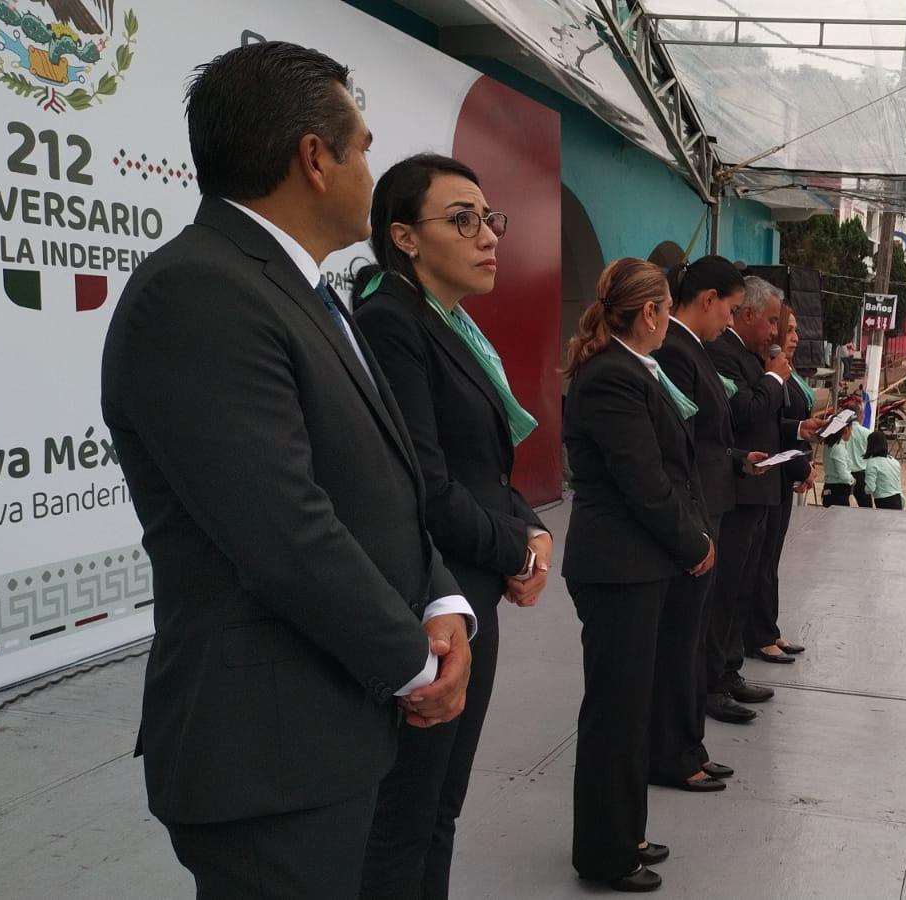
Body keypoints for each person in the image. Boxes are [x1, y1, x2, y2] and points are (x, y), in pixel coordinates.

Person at [99, 43, 474, 897]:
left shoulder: (299, 290)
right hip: (266, 754)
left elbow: (378, 478)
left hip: (327, 729)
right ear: (315, 156)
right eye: (365, 145)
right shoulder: (198, 292)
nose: (370, 168)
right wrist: (413, 663)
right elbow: (282, 528)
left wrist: (439, 596)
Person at [352, 154, 547, 898]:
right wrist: (516, 547)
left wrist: (531, 530)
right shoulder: (391, 324)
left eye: (488, 218)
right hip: (426, 596)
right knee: (404, 816)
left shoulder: (450, 326)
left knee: (440, 806)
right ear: (403, 236)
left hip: (471, 593)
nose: (488, 235)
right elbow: (425, 488)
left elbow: (481, 472)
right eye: (461, 220)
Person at [561, 258, 716, 892]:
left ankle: (626, 832)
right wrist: (693, 542)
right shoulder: (612, 378)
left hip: (635, 565)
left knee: (630, 708)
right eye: (666, 308)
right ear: (650, 312)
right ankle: (605, 852)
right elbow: (644, 482)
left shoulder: (628, 370)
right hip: (618, 567)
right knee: (615, 715)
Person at [650, 256, 758, 791]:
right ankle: (674, 750)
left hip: (710, 501)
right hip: (693, 512)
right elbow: (678, 446)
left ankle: (688, 743)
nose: (731, 322)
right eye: (732, 309)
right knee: (681, 642)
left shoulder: (692, 347)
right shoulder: (675, 348)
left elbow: (709, 439)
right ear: (709, 297)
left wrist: (739, 459)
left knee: (692, 636)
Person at [703, 277, 794, 723]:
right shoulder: (724, 353)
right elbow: (743, 413)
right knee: (723, 590)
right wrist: (775, 379)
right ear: (749, 314)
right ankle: (714, 679)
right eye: (772, 320)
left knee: (740, 585)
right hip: (737, 488)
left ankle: (730, 667)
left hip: (759, 482)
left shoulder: (751, 358)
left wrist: (799, 432)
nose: (776, 332)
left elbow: (766, 422)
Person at [744, 298, 823, 665]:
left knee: (770, 559)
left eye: (791, 328)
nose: (793, 336)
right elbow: (767, 426)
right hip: (768, 471)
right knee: (759, 562)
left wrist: (808, 431)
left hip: (783, 471)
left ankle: (767, 629)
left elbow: (788, 423)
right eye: (785, 327)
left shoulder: (787, 372)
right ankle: (758, 634)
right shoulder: (768, 371)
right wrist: (798, 465)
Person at [861, 431, 905, 509]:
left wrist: (863, 489)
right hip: (898, 498)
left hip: (883, 501)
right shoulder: (894, 461)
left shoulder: (872, 463)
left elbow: (870, 488)